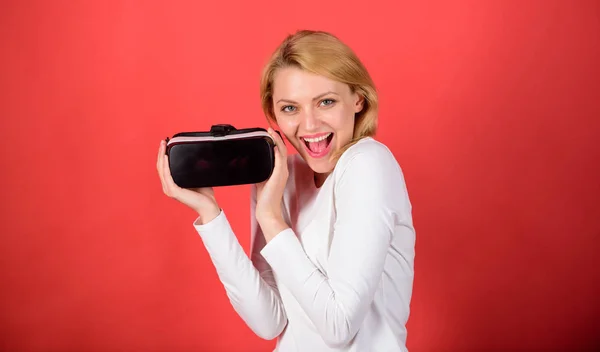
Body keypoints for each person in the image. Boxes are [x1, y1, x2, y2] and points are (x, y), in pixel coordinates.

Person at [156, 30, 416, 352]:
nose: (309, 126)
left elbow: (339, 326)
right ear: (274, 113)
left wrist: (271, 217)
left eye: (326, 101)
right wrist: (210, 215)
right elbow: (269, 322)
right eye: (290, 108)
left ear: (358, 99)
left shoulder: (368, 163)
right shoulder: (284, 175)